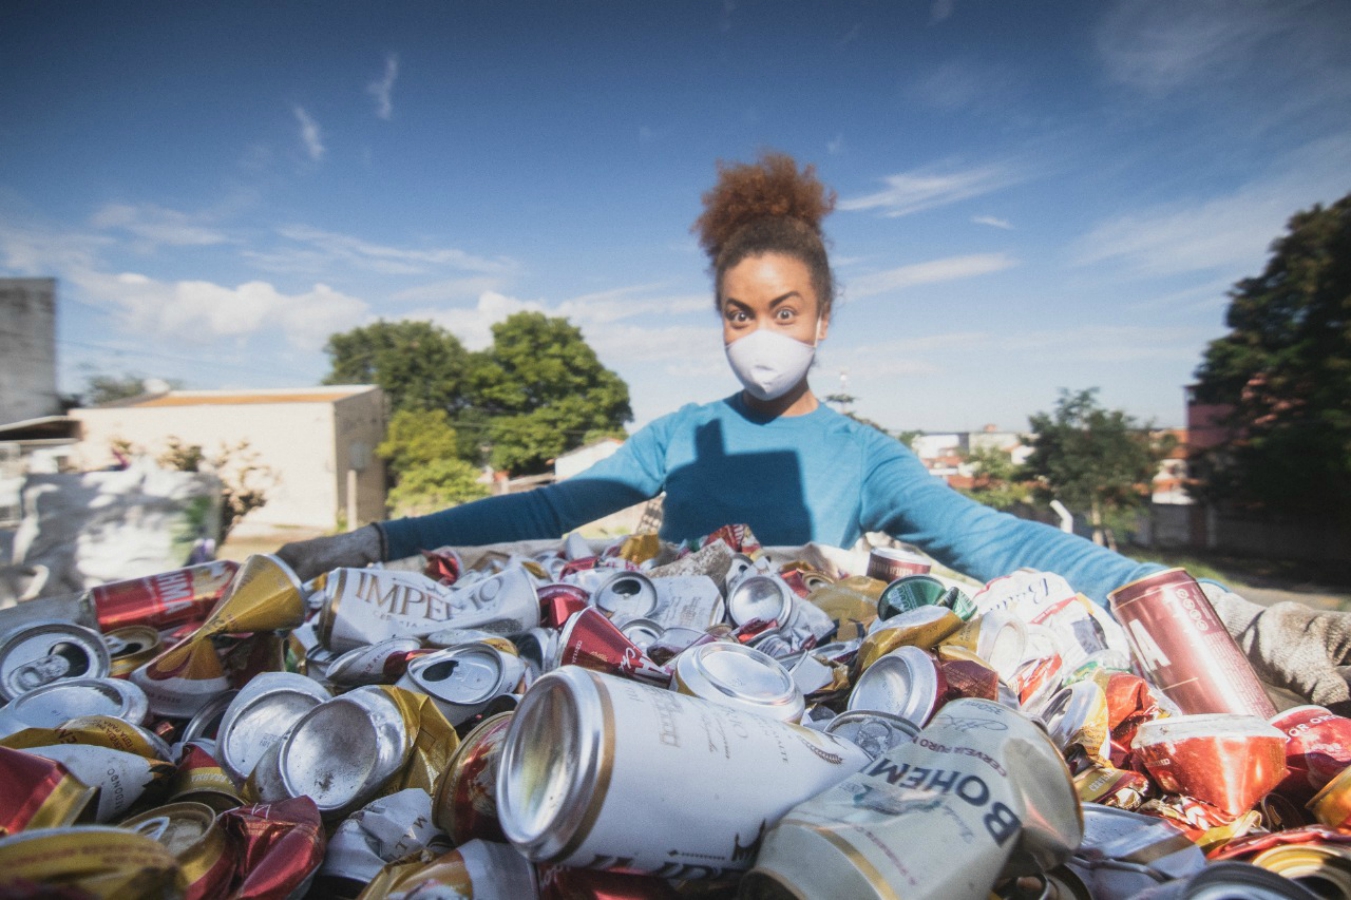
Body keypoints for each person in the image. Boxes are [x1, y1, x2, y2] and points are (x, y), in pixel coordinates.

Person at [280, 151, 1351, 714]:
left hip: (808, 694)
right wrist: (376, 544)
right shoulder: (682, 436)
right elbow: (553, 509)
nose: (759, 336)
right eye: (738, 314)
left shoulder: (864, 455)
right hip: (656, 675)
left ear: (821, 320)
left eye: (782, 312)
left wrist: (1241, 619)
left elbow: (1004, 545)